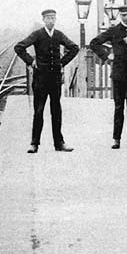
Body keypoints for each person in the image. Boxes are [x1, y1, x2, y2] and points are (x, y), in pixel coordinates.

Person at [14, 9, 80, 153]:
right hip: (40, 79)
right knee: (39, 111)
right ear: (43, 20)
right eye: (48, 18)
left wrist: (62, 63)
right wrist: (31, 61)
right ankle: (34, 143)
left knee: (56, 110)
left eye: (53, 18)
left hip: (55, 79)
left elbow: (74, 48)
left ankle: (59, 143)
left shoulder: (59, 34)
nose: (51, 20)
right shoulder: (37, 34)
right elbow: (19, 47)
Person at [89, 5, 127, 149]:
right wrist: (106, 55)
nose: (126, 17)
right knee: (119, 106)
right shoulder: (114, 31)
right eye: (123, 15)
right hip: (119, 75)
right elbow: (94, 43)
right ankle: (116, 139)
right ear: (120, 16)